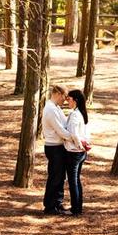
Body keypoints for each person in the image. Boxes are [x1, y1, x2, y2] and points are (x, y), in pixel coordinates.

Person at [42, 85, 73, 215]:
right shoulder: (50, 109)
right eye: (65, 97)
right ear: (58, 94)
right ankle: (49, 206)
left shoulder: (57, 108)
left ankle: (57, 202)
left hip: (59, 146)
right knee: (55, 177)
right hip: (53, 147)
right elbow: (60, 130)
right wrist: (75, 138)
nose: (65, 100)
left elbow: (65, 124)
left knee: (60, 177)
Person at [64, 89, 90, 216]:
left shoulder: (75, 115)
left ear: (75, 100)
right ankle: (78, 207)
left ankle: (75, 209)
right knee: (76, 180)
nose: (67, 101)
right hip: (80, 153)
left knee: (73, 181)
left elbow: (74, 134)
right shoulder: (81, 113)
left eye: (69, 99)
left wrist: (79, 145)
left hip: (75, 152)